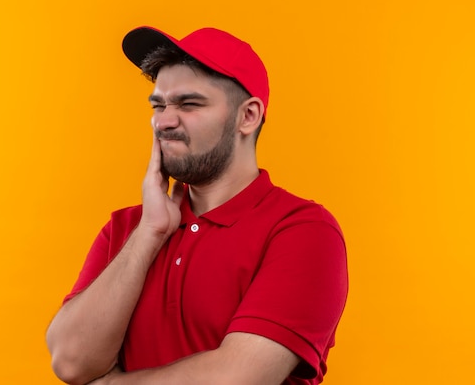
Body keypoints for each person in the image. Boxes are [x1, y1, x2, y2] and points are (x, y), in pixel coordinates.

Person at [46, 26, 348, 385]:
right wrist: (150, 233)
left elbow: (238, 377)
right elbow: (70, 361)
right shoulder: (127, 229)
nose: (164, 121)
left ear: (248, 116)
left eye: (189, 104)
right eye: (159, 104)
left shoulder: (303, 231)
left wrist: (110, 383)